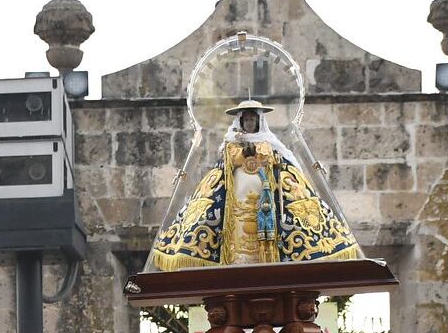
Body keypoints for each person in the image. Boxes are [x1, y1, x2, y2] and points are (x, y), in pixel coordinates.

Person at [149, 99, 361, 269]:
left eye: (253, 120)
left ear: (259, 121)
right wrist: (239, 149)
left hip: (266, 192)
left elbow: (283, 160)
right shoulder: (230, 141)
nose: (250, 123)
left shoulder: (270, 142)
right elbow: (226, 164)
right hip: (236, 194)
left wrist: (268, 159)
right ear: (241, 121)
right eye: (247, 120)